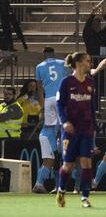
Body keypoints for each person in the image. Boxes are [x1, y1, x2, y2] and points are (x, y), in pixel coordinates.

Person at [56, 52, 96, 208]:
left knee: (87, 163)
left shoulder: (90, 83)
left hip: (86, 129)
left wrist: (94, 127)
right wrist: (64, 122)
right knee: (68, 165)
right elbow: (59, 104)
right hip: (71, 130)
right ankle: (61, 190)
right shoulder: (66, 82)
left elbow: (92, 107)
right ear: (79, 63)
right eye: (88, 61)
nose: (89, 64)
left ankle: (85, 198)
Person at [32, 47, 69, 194]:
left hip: (48, 99)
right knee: (59, 130)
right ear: (53, 54)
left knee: (51, 125)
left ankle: (44, 184)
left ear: (44, 55)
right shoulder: (61, 63)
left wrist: (42, 105)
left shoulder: (39, 66)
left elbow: (39, 89)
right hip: (60, 97)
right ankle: (41, 184)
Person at [83, 6, 106, 111]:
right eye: (95, 24)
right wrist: (92, 15)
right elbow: (86, 28)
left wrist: (104, 14)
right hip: (94, 66)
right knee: (95, 90)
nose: (97, 26)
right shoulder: (88, 35)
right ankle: (95, 109)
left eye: (99, 24)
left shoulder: (103, 34)